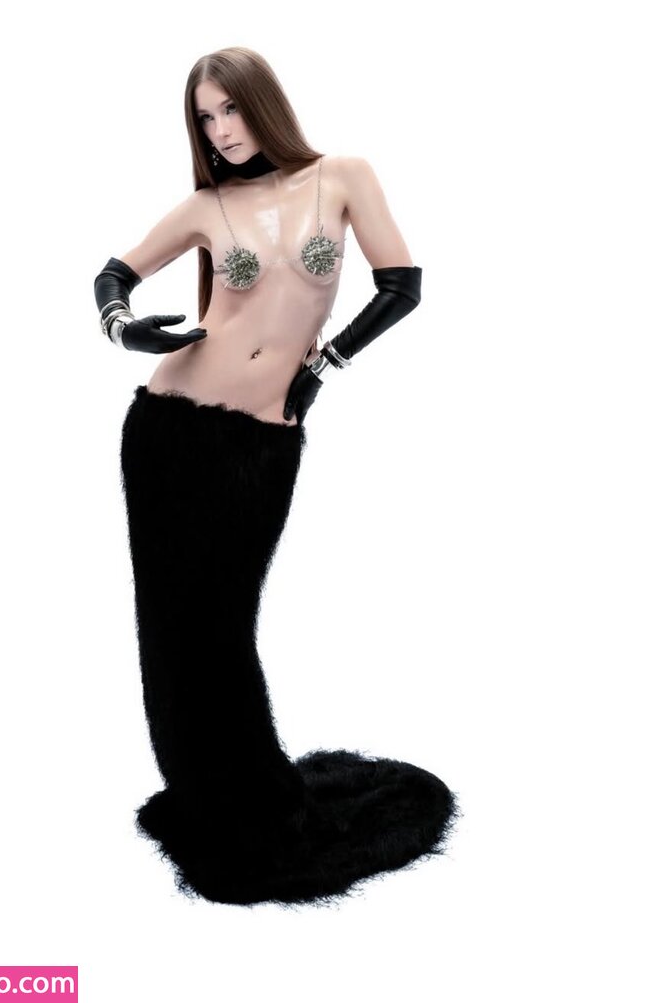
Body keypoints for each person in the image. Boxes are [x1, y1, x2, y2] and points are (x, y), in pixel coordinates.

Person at [94, 46, 460, 907]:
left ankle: (252, 797)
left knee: (225, 624)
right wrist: (123, 327)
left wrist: (325, 364)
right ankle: (209, 796)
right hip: (167, 427)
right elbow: (113, 274)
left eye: (230, 109)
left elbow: (402, 285)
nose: (220, 130)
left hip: (262, 436)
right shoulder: (207, 206)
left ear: (263, 103)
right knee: (172, 628)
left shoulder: (341, 177)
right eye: (205, 118)